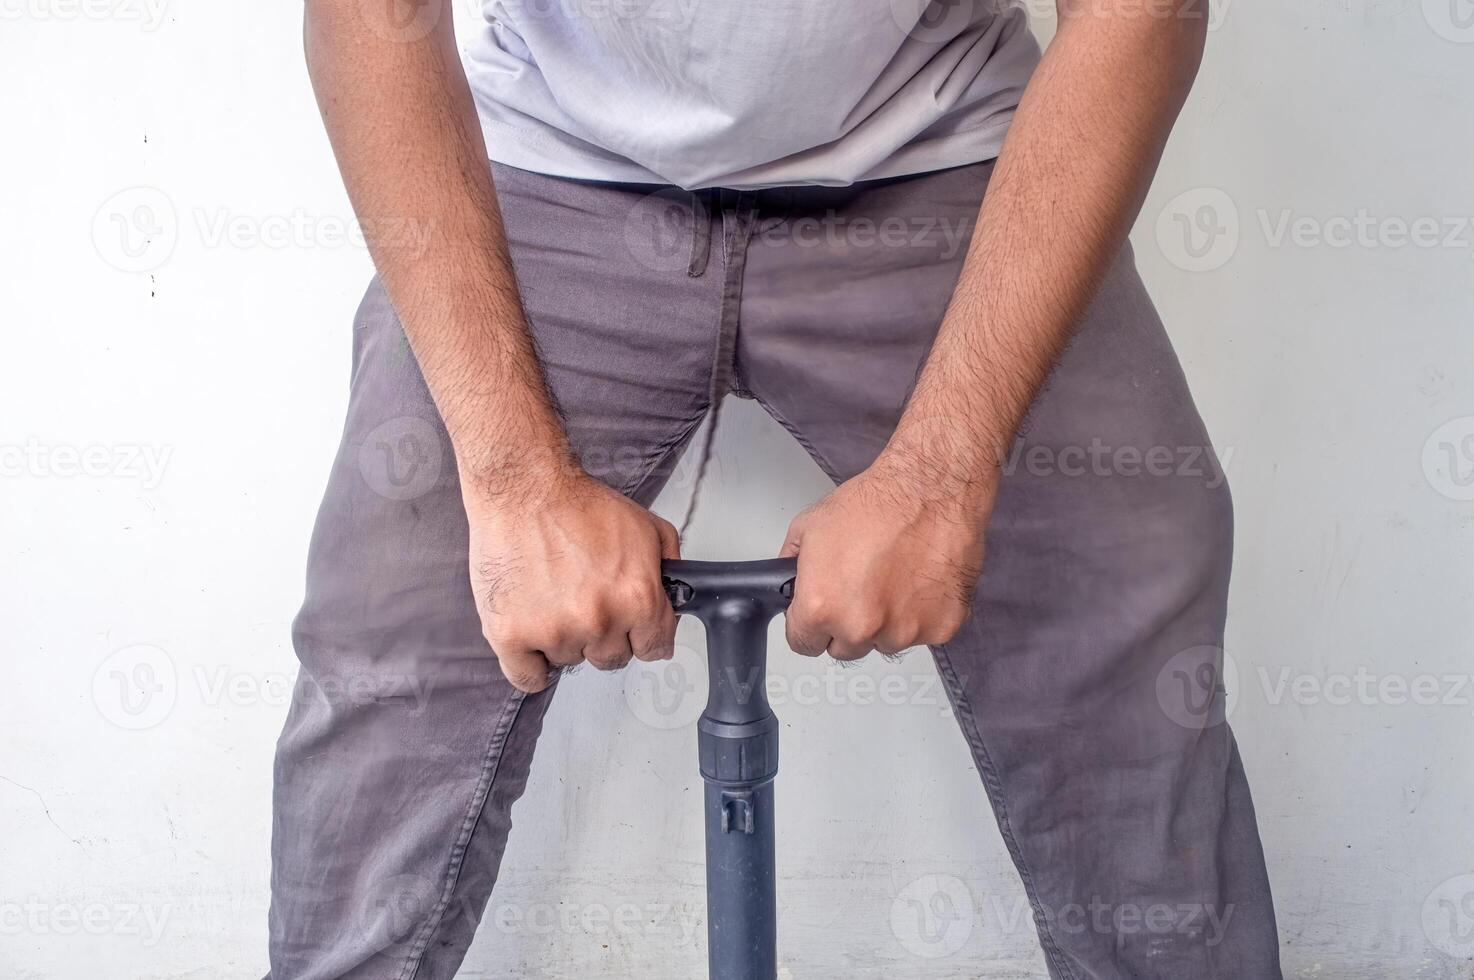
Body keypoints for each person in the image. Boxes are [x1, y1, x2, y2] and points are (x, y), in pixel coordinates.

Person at [267, 0, 1283, 977]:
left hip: (943, 157)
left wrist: (941, 473)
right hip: (551, 171)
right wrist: (513, 479)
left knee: (1123, 580)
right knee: (391, 631)